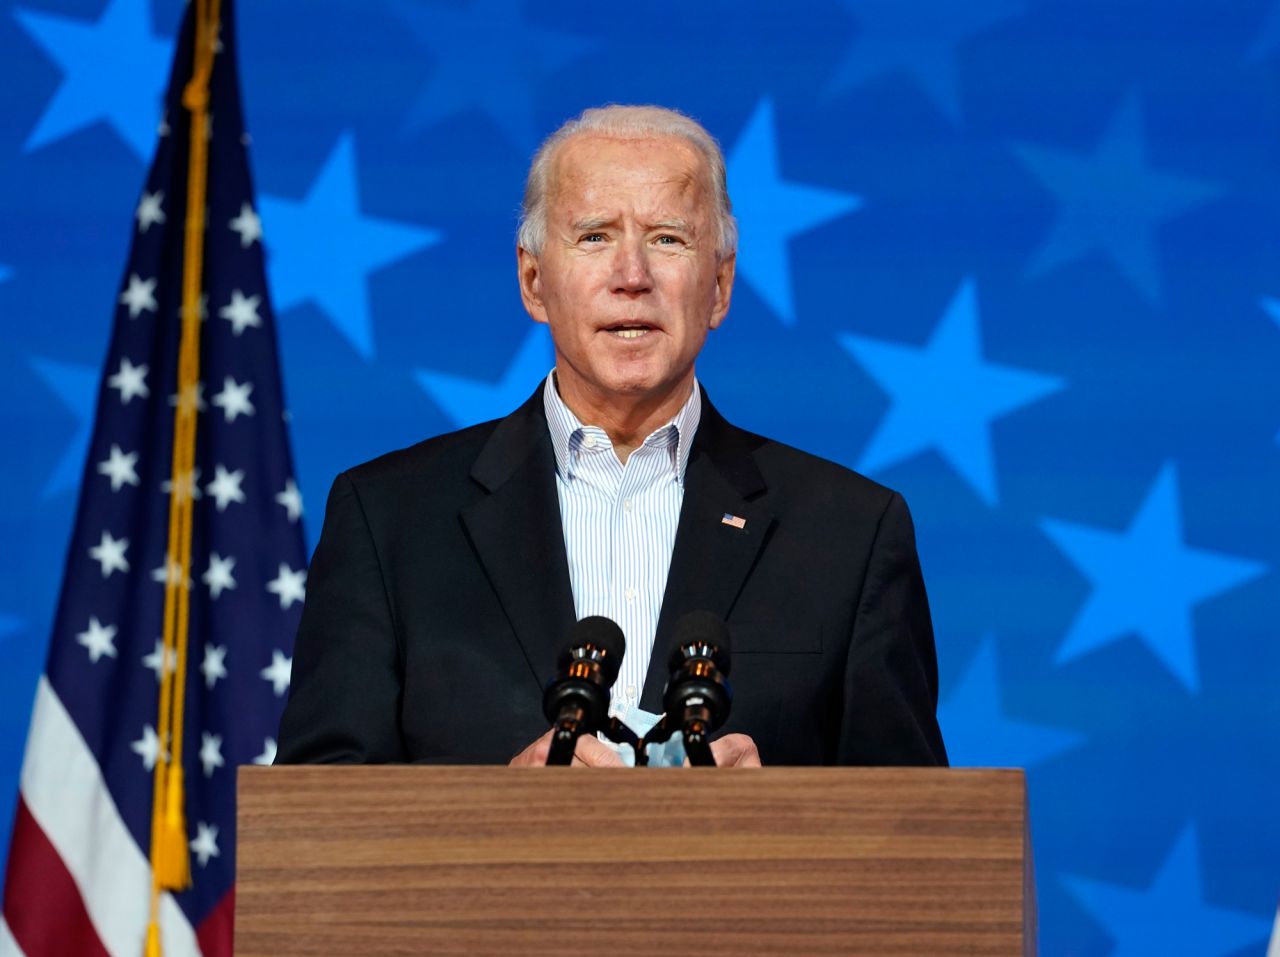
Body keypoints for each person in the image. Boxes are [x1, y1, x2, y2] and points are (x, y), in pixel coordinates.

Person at [276, 105, 947, 769]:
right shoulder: (389, 521)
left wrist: (777, 819)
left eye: (668, 239)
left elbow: (919, 842)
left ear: (719, 284)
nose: (632, 275)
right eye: (595, 236)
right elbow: (313, 832)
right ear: (533, 280)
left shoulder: (849, 533)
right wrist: (494, 818)